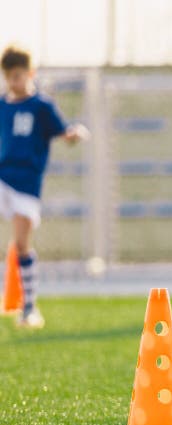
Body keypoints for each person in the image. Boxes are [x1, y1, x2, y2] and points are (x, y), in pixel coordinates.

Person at [0, 46, 90, 328]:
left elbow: (63, 132)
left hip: (27, 184)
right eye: (9, 77)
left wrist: (74, 134)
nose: (14, 82)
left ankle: (29, 308)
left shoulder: (42, 106)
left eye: (18, 76)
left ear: (30, 73)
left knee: (22, 244)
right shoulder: (2, 104)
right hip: (2, 178)